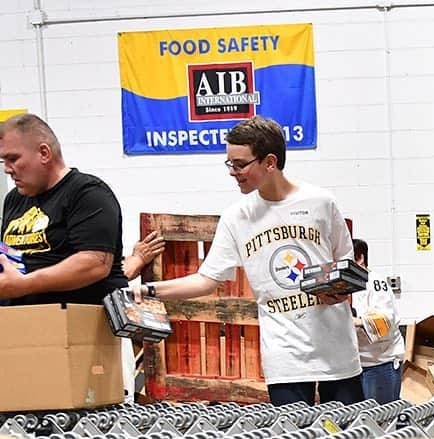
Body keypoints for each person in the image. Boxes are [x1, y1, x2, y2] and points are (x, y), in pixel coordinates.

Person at [135, 117, 361, 407]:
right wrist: (151, 290)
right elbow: (207, 279)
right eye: (229, 164)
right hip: (285, 356)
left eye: (240, 164)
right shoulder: (237, 217)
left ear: (269, 162)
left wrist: (341, 289)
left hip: (336, 351)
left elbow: (347, 263)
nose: (233, 172)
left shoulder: (321, 203)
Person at [0, 112, 128, 305]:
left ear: (44, 153)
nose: (7, 169)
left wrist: (24, 284)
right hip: (20, 321)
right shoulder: (14, 199)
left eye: (13, 159)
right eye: (4, 161)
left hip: (73, 323)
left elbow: (94, 264)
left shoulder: (88, 193)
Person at [351, 237, 404, 404]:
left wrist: (354, 322)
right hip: (354, 365)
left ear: (359, 258)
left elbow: (386, 318)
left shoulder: (375, 282)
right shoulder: (344, 285)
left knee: (380, 419)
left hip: (380, 362)